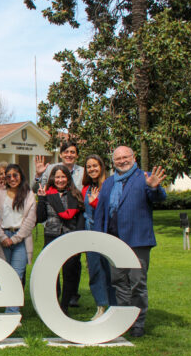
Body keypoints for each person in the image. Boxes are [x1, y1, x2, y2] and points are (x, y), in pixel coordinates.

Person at [93, 146, 166, 337]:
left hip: (137, 241)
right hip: (114, 241)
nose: (122, 161)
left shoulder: (144, 178)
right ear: (113, 161)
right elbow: (101, 212)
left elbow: (158, 198)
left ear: (133, 158)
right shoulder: (108, 183)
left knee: (137, 283)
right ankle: (124, 321)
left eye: (126, 157)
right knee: (119, 283)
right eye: (118, 158)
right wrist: (99, 238)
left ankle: (138, 324)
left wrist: (153, 187)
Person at [35, 142, 84, 307]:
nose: (60, 180)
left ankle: (65, 304)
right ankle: (53, 302)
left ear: (68, 179)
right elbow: (40, 217)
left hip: (69, 237)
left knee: (70, 272)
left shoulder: (75, 195)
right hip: (51, 236)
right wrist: (41, 199)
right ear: (53, 179)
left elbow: (77, 217)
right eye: (57, 177)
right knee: (51, 272)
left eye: (63, 177)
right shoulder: (47, 195)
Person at [0, 164, 36, 315]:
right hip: (2, 238)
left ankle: (12, 312)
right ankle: (8, 306)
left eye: (15, 175)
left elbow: (30, 220)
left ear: (21, 176)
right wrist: (2, 237)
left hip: (20, 240)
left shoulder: (29, 195)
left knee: (17, 275)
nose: (12, 179)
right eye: (8, 176)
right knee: (5, 275)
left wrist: (16, 238)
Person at [81, 155, 117, 320]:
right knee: (95, 270)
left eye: (95, 165)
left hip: (108, 232)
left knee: (111, 270)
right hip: (90, 233)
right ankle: (101, 306)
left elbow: (113, 209)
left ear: (101, 166)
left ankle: (115, 306)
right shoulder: (86, 188)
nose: (92, 169)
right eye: (89, 167)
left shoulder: (110, 186)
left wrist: (96, 203)